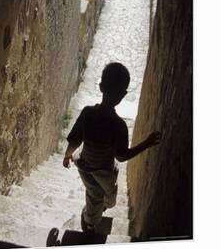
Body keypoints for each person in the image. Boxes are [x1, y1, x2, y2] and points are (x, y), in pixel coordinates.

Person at [63, 62, 161, 233]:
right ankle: (89, 222)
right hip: (101, 171)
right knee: (96, 198)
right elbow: (121, 157)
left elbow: (75, 138)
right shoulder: (119, 126)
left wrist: (68, 154)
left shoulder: (87, 113)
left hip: (86, 166)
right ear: (123, 95)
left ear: (101, 87)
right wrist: (146, 143)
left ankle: (94, 213)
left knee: (107, 199)